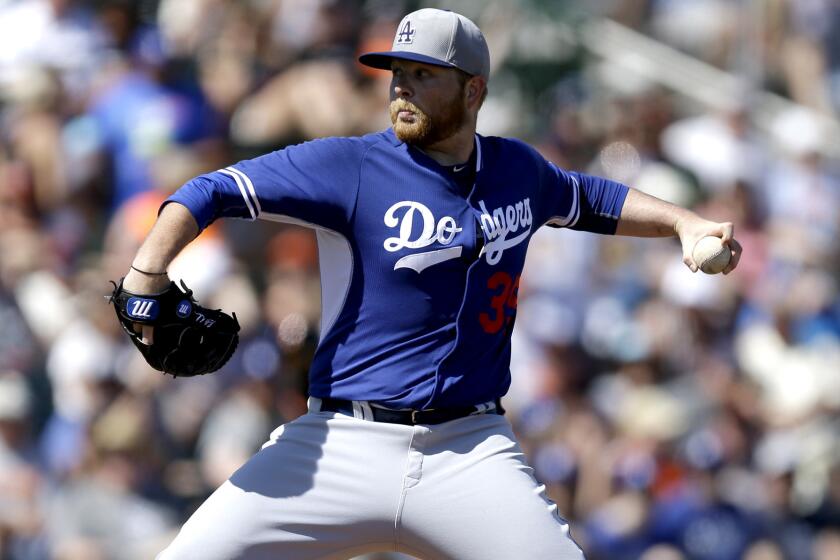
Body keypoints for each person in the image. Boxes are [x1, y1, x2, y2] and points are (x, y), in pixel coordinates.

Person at [123, 8, 741, 560]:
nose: (401, 87)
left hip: (468, 448)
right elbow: (209, 190)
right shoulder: (351, 166)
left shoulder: (515, 170)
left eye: (424, 74)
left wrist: (683, 224)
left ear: (474, 90)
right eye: (397, 72)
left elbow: (591, 197)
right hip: (341, 440)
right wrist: (145, 273)